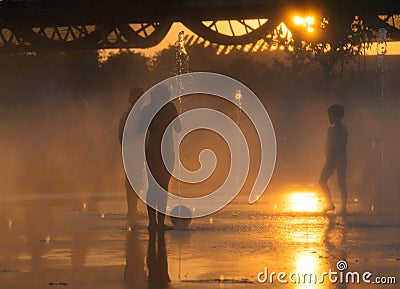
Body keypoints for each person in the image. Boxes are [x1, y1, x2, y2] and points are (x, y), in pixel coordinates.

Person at [142, 84, 181, 231]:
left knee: (152, 187)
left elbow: (140, 130)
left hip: (151, 149)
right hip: (166, 151)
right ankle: (159, 222)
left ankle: (152, 222)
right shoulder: (170, 108)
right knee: (163, 186)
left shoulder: (148, 108)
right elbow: (179, 127)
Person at [119, 87, 144, 226]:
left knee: (137, 181)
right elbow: (121, 135)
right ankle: (131, 210)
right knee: (132, 181)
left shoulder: (142, 115)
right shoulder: (127, 116)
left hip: (138, 152)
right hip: (131, 152)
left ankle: (133, 209)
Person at [319, 104, 348, 214]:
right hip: (332, 159)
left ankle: (342, 207)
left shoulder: (341, 130)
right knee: (323, 181)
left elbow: (339, 145)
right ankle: (330, 204)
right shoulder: (331, 130)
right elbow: (328, 145)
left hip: (338, 159)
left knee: (341, 182)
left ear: (338, 116)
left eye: (331, 116)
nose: (329, 118)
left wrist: (331, 158)